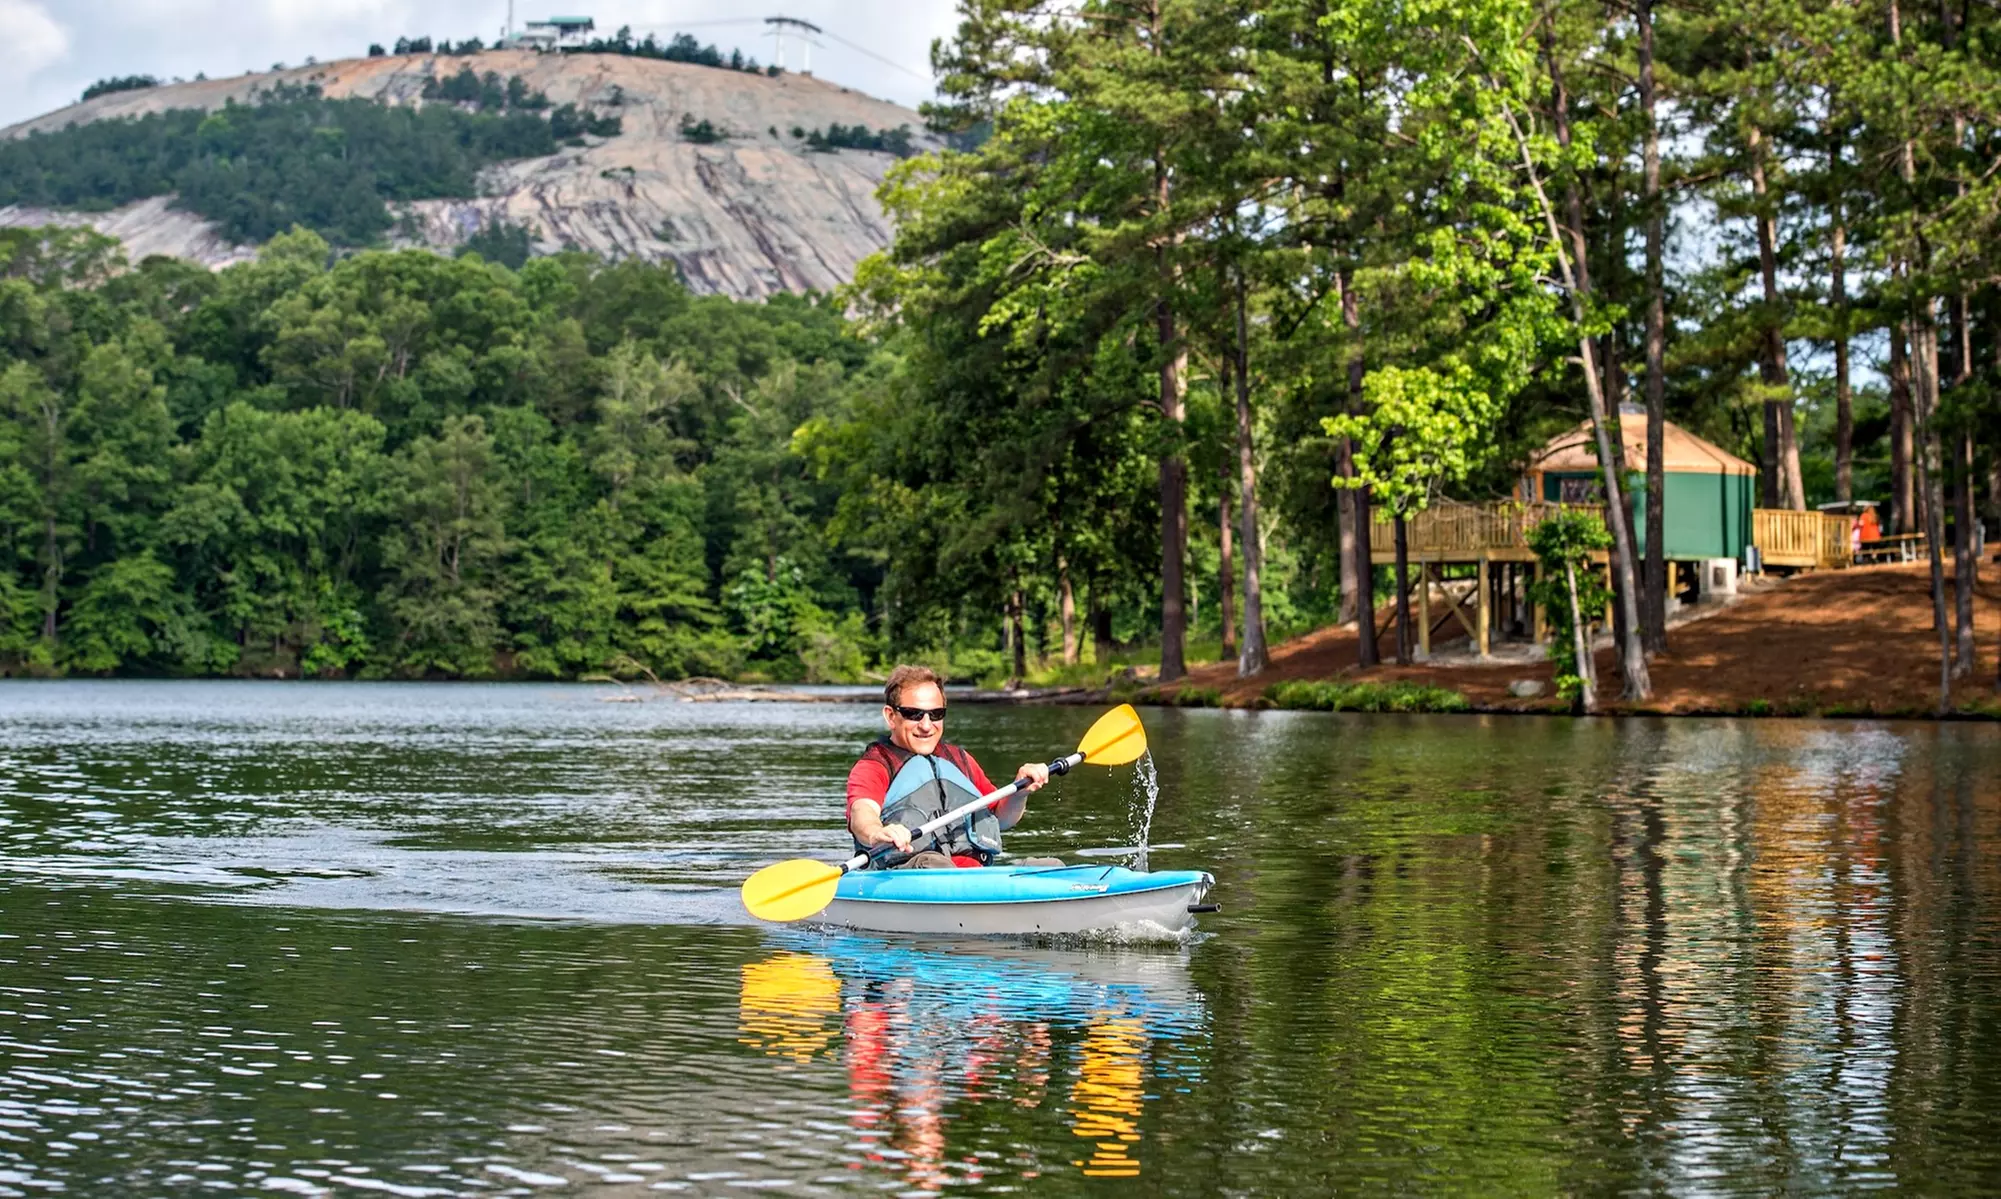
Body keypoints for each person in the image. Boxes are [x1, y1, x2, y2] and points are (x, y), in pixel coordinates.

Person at [846, 665, 1053, 869]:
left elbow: (1001, 818)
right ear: (891, 716)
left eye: (936, 714)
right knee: (935, 864)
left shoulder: (960, 760)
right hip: (913, 875)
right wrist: (875, 833)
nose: (926, 726)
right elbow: (862, 813)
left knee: (1049, 866)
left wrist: (1020, 790)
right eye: (914, 714)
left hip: (975, 877)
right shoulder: (875, 765)